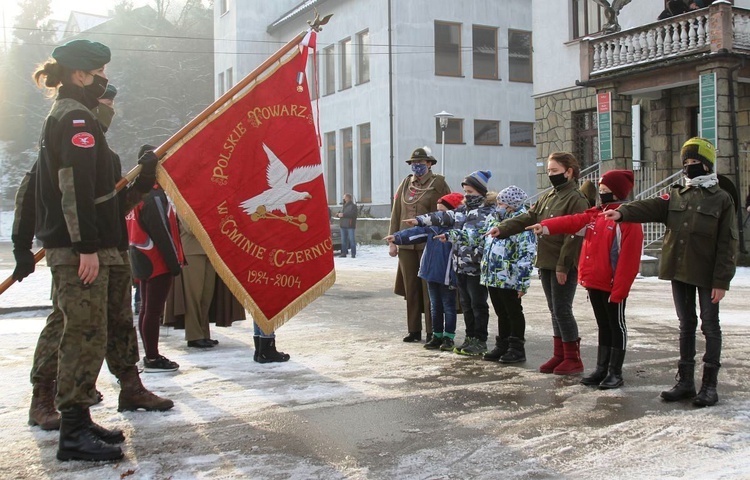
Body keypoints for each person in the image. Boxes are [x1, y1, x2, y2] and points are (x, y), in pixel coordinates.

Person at [13, 39, 155, 462]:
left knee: (103, 327)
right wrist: (79, 246)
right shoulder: (73, 120)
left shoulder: (92, 135)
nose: (104, 89)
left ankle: (86, 418)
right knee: (80, 331)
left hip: (103, 246)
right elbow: (62, 190)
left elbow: (105, 202)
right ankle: (70, 426)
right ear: (81, 75)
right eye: (100, 79)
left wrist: (143, 181)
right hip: (82, 250)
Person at [602, 138, 737, 406]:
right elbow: (651, 206)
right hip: (679, 270)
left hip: (708, 274)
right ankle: (685, 382)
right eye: (685, 163)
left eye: (695, 162)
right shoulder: (677, 194)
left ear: (707, 165)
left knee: (710, 326)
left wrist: (722, 280)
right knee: (685, 325)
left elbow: (727, 243)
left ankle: (709, 386)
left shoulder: (721, 199)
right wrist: (623, 212)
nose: (689, 168)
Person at [529, 170, 643, 388]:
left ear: (618, 192)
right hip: (595, 282)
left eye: (606, 190)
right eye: (600, 190)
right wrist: (545, 227)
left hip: (612, 284)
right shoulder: (596, 215)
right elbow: (572, 222)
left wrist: (620, 289)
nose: (602, 194)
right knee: (603, 325)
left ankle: (614, 371)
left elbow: (628, 259)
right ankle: (601, 368)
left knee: (616, 325)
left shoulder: (627, 218)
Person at [488, 152, 589, 375]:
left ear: (569, 171)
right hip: (546, 261)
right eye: (549, 171)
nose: (551, 175)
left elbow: (575, 234)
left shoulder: (576, 198)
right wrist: (503, 229)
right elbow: (529, 217)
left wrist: (563, 265)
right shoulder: (550, 196)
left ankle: (573, 358)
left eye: (554, 171)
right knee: (554, 310)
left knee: (563, 310)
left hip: (562, 263)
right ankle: (559, 354)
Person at [423, 170, 495, 356]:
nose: (467, 196)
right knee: (467, 304)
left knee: (478, 304)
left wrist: (449, 235)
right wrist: (419, 220)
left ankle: (480, 340)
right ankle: (470, 337)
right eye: (465, 191)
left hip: (476, 267)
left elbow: (473, 236)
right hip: (460, 266)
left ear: (480, 191)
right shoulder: (462, 210)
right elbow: (443, 216)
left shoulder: (486, 212)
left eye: (470, 192)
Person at [385, 192, 464, 352]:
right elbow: (415, 233)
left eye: (442, 211)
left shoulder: (457, 230)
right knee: (435, 305)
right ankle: (437, 335)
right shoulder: (432, 228)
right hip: (430, 272)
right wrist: (397, 237)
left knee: (448, 306)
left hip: (447, 274)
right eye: (437, 211)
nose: (437, 215)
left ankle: (448, 337)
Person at [388, 147, 451, 343]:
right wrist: (392, 240)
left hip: (429, 244)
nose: (416, 167)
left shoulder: (438, 183)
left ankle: (433, 331)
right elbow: (396, 212)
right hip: (406, 245)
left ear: (429, 164)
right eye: (413, 164)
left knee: (428, 288)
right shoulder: (406, 183)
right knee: (411, 288)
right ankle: (414, 330)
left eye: (421, 163)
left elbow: (447, 213)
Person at [127, 183, 185, 372]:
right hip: (156, 258)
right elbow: (162, 231)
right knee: (152, 310)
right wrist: (174, 263)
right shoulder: (154, 195)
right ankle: (152, 356)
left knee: (147, 309)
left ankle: (150, 354)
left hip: (142, 255)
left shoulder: (136, 191)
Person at [479, 186, 536, 364]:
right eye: (497, 203)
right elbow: (480, 238)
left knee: (513, 312)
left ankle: (516, 348)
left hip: (510, 277)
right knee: (501, 312)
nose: (498, 206)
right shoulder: (495, 220)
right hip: (493, 276)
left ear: (511, 204)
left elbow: (527, 254)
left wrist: (522, 282)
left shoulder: (522, 223)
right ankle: (502, 344)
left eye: (501, 203)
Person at [172, 220, 219, 349]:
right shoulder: (183, 201)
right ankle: (194, 336)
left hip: (209, 249)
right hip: (191, 251)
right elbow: (189, 227)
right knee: (193, 295)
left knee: (206, 295)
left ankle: (203, 333)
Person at [337, 193, 358, 258]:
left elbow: (353, 215)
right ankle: (344, 253)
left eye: (344, 197)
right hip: (343, 225)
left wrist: (343, 215)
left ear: (348, 198)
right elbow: (340, 213)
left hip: (350, 225)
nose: (343, 199)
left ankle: (353, 254)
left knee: (351, 240)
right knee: (343, 240)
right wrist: (338, 214)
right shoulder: (343, 205)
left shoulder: (353, 206)